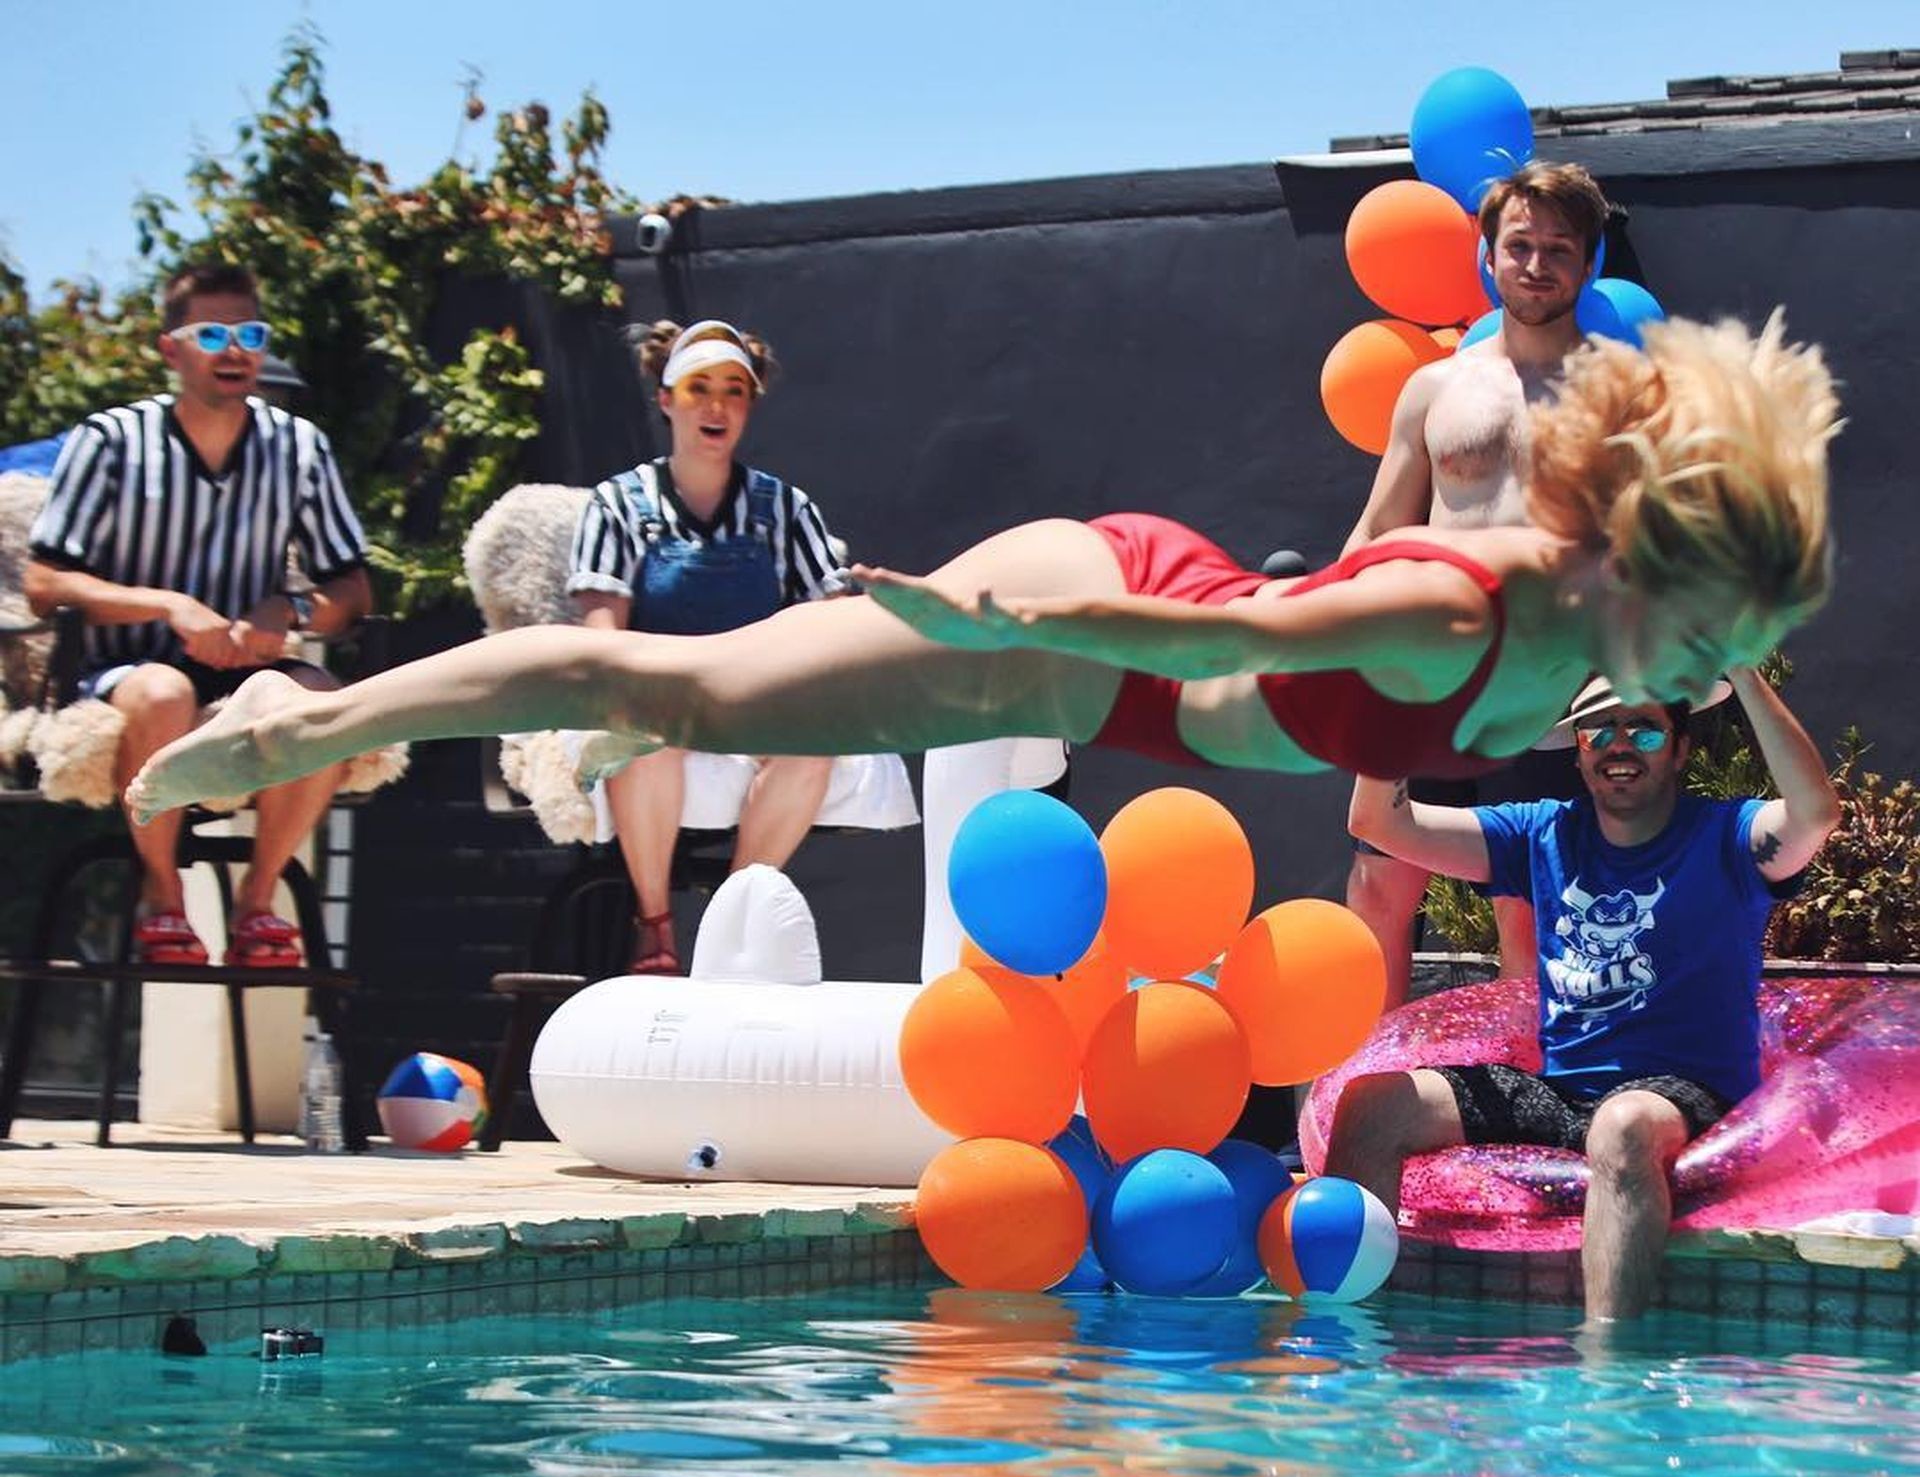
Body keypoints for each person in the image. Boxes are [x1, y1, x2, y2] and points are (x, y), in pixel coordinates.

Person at [126, 311, 1837, 832]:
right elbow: (1207, 636)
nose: (1708, 681)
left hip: (1116, 672)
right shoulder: (1459, 605)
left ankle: (565, 725)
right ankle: (300, 719)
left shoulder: (1607, 645)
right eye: (1718, 638)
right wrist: (1008, 615)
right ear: (1649, 562)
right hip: (1084, 631)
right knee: (672, 681)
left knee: (702, 703)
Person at [1331, 667, 1843, 1321]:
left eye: (1645, 730)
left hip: (1685, 1095)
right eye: (1599, 729)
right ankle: (1349, 1330)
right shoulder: (1540, 832)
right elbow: (1378, 821)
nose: (1619, 743)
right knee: (1372, 1105)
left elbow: (1815, 813)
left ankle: (1609, 1365)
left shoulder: (1729, 837)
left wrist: (1742, 673)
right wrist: (1398, 695)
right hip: (1562, 1094)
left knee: (1622, 1125)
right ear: (1577, 752)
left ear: (1680, 749)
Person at [25, 262, 371, 966]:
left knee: (322, 700)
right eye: (211, 334)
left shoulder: (299, 447)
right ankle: (164, 897)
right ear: (171, 349)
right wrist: (171, 608)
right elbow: (43, 582)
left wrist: (288, 608)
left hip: (246, 672)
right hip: (123, 669)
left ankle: (258, 904)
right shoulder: (111, 439)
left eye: (251, 335)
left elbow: (352, 592)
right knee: (165, 691)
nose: (234, 350)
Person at [1344, 162, 1607, 1006]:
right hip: (1429, 681)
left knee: (1525, 912)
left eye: (1558, 248)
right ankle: (1372, 1073)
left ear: (1588, 261)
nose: (1536, 264)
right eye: (1519, 245)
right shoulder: (1434, 389)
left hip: (1544, 696)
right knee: (1380, 888)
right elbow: (1381, 529)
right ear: (1487, 258)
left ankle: (1522, 1079)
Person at [569, 318, 845, 974]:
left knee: (813, 747)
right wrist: (651, 695)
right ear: (666, 400)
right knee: (644, 739)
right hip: (656, 695)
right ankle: (655, 927)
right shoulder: (617, 504)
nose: (716, 406)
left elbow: (832, 624)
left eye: (733, 390)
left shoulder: (786, 509)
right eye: (698, 388)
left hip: (753, 700)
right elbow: (602, 633)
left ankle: (733, 923)